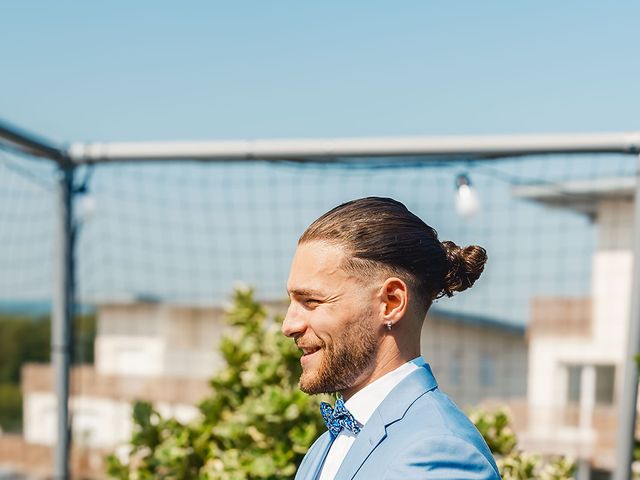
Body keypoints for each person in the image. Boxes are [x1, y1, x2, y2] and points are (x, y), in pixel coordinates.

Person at [282, 197, 501, 480]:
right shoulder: (322, 447)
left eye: (311, 301)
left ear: (391, 302)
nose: (289, 325)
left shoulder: (440, 452)